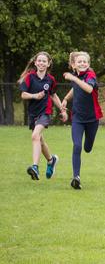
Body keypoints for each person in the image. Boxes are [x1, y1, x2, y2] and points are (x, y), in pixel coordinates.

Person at [18, 51, 67, 181]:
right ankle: (51, 161)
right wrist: (34, 96)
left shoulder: (51, 79)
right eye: (39, 60)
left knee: (35, 136)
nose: (41, 63)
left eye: (44, 61)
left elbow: (53, 95)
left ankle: (35, 167)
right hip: (32, 113)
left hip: (45, 112)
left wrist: (62, 109)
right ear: (35, 62)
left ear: (48, 64)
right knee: (39, 140)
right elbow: (23, 94)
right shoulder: (30, 77)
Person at [61, 52, 103, 189]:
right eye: (79, 62)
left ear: (88, 64)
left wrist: (73, 78)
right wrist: (66, 99)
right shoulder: (76, 78)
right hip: (78, 118)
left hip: (92, 119)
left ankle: (88, 145)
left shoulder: (90, 76)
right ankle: (76, 177)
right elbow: (75, 89)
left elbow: (89, 89)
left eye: (85, 62)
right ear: (74, 65)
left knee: (87, 148)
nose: (82, 64)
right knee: (77, 146)